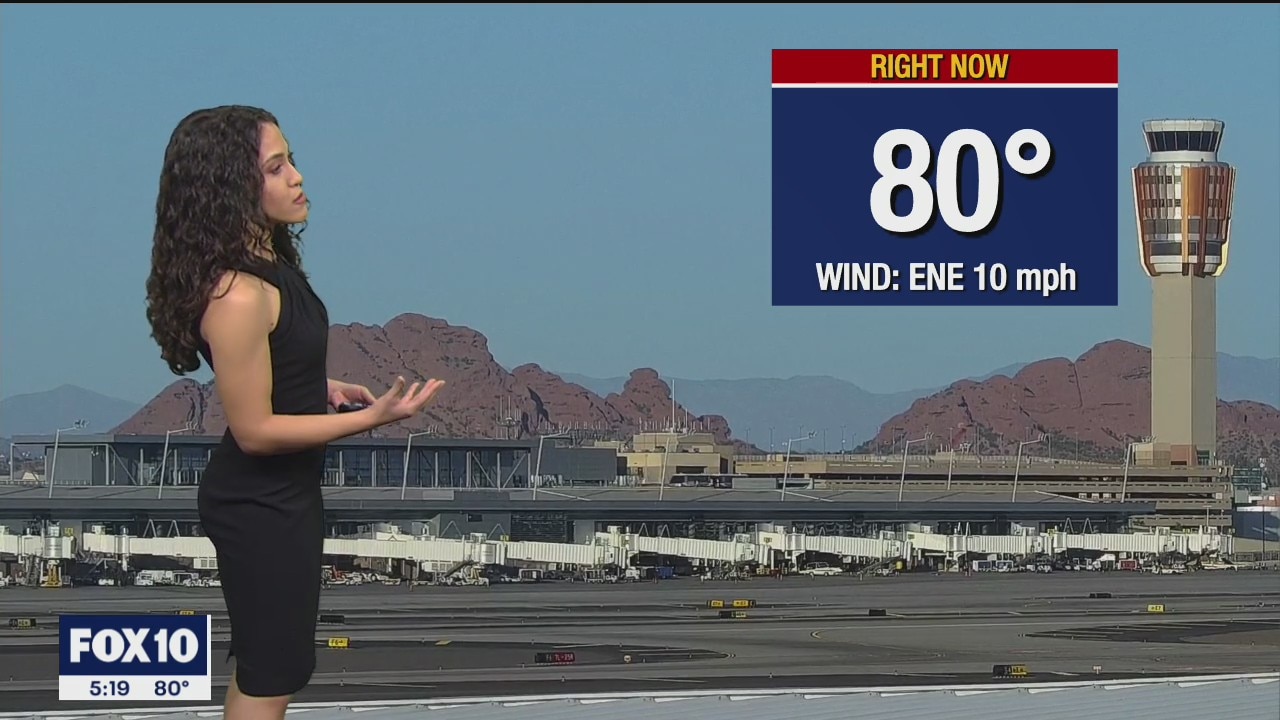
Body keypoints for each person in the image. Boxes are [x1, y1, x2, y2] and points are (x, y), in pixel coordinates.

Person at [144, 105, 445, 720]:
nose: (297, 177)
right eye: (276, 167)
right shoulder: (238, 294)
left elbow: (271, 361)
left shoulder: (272, 268)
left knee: (274, 666)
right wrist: (372, 419)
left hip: (287, 495)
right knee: (271, 670)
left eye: (292, 161)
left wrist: (319, 387)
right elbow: (254, 432)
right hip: (258, 504)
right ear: (232, 187)